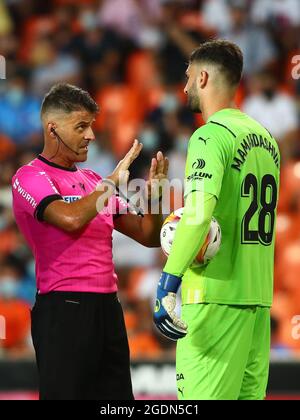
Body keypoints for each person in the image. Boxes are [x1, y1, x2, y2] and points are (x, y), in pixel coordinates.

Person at [12, 83, 168, 400]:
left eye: (92, 127)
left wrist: (154, 198)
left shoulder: (93, 182)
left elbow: (149, 236)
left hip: (109, 310)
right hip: (63, 310)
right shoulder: (30, 177)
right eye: (81, 126)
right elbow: (70, 218)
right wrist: (110, 184)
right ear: (52, 128)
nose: (91, 136)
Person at [153, 40, 280, 400]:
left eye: (189, 77)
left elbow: (197, 214)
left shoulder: (210, 136)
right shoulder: (267, 139)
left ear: (204, 77)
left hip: (212, 302)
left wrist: (168, 283)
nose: (185, 87)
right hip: (257, 303)